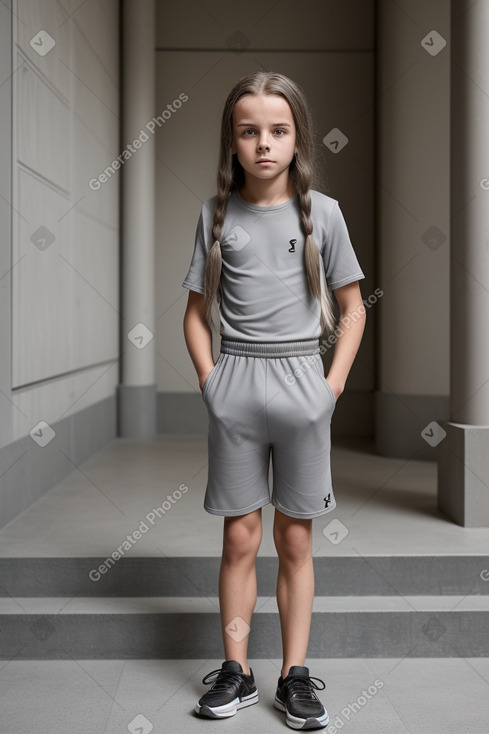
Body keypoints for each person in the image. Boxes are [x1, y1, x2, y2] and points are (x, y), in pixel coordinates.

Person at [182, 70, 366, 730]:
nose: (264, 143)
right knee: (238, 538)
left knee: (294, 540)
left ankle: (293, 677)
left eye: (278, 131)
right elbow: (196, 315)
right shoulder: (216, 215)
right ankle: (235, 670)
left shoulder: (325, 216)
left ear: (297, 139)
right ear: (232, 142)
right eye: (249, 131)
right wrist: (211, 383)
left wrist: (331, 385)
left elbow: (352, 309)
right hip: (237, 384)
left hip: (300, 386)